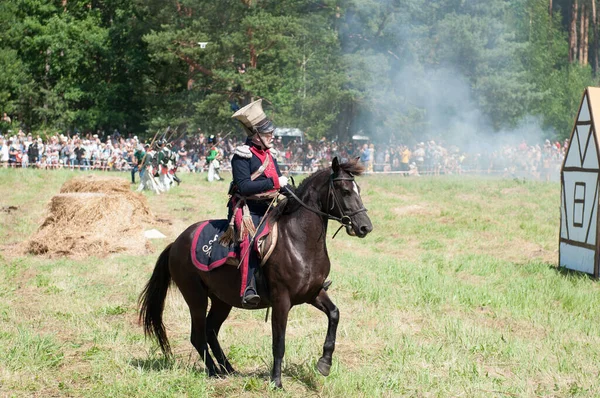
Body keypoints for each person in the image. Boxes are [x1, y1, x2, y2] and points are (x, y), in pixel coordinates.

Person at [227, 99, 288, 308]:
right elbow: (244, 186)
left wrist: (294, 193)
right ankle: (248, 288)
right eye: (267, 133)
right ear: (256, 135)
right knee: (249, 241)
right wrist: (274, 182)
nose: (272, 135)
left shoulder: (269, 154)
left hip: (270, 206)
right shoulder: (242, 155)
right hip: (247, 209)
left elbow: (280, 182)